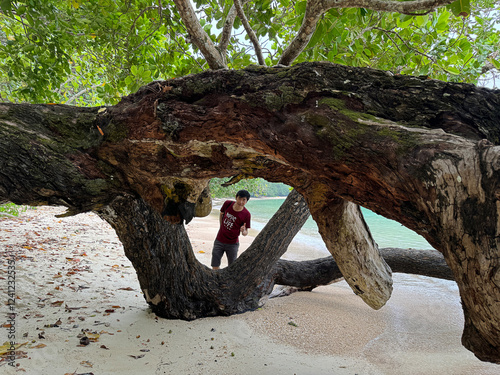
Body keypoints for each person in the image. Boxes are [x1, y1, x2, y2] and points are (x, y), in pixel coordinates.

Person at [211, 190, 251, 270]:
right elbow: (221, 213)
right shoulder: (227, 203)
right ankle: (216, 279)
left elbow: (246, 233)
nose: (241, 202)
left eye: (244, 200)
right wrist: (221, 226)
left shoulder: (246, 214)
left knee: (232, 267)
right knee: (215, 264)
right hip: (219, 239)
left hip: (232, 243)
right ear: (236, 197)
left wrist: (243, 231)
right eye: (240, 198)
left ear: (246, 201)